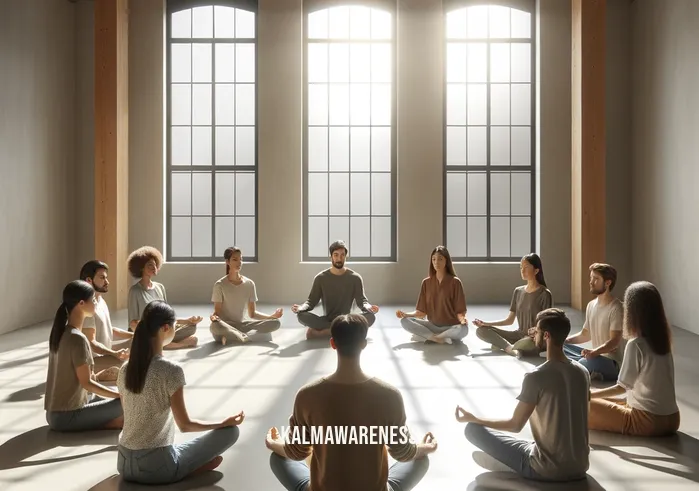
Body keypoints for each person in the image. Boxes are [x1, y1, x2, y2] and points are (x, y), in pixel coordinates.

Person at [265, 314, 437, 491]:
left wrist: (274, 444)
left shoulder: (307, 395)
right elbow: (404, 452)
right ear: (363, 344)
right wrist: (425, 448)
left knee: (277, 458)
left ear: (333, 343)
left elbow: (296, 452)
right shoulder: (389, 395)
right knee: (420, 458)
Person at [116, 300, 244, 484]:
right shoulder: (171, 370)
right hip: (156, 468)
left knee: (177, 448)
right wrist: (222, 423)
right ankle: (187, 469)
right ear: (166, 328)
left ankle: (188, 466)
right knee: (231, 432)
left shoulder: (125, 368)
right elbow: (185, 425)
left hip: (124, 463)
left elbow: (128, 417)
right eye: (176, 326)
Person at [456, 308, 590, 482]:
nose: (534, 334)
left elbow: (515, 425)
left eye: (537, 331)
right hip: (580, 466)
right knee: (531, 444)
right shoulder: (583, 372)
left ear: (547, 336)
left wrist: (475, 418)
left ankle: (508, 465)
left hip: (547, 469)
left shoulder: (536, 376)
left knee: (472, 429)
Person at [588, 281, 680, 436]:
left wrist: (588, 395)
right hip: (672, 419)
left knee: (580, 403)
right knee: (600, 396)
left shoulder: (636, 344)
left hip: (647, 421)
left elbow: (622, 387)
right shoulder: (663, 342)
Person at [44, 280, 123, 432]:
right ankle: (108, 423)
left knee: (102, 398)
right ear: (81, 303)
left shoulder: (62, 333)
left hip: (53, 415)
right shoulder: (77, 338)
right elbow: (86, 383)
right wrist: (118, 395)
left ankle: (106, 420)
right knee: (125, 402)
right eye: (93, 300)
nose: (95, 303)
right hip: (66, 417)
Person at [291, 240, 379, 339]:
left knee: (371, 317)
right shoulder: (320, 278)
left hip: (346, 319)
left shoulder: (355, 278)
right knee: (301, 316)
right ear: (331, 257)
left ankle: (324, 333)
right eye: (336, 255)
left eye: (342, 255)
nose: (339, 259)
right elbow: (311, 302)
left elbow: (362, 301)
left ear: (346, 257)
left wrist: (369, 307)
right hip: (327, 320)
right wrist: (301, 308)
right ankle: (346, 331)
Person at [473, 253, 553, 357]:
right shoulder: (518, 291)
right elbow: (509, 321)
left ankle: (503, 344)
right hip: (518, 335)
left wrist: (537, 331)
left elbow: (548, 324)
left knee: (527, 343)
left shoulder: (545, 294)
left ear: (536, 270)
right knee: (481, 331)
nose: (522, 270)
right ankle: (510, 348)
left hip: (534, 338)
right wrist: (485, 323)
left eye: (526, 267)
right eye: (521, 267)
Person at [127, 246, 201, 349]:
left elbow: (168, 316)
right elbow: (132, 324)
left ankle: (162, 344)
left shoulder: (160, 287)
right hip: (147, 331)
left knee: (191, 327)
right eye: (150, 265)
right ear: (141, 268)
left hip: (163, 329)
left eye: (155, 264)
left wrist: (188, 320)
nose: (154, 268)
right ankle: (173, 344)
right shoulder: (135, 291)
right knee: (191, 340)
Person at [564, 263, 625, 381]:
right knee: (560, 347)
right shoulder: (591, 305)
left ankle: (577, 366)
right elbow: (585, 335)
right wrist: (564, 340)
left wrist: (594, 352)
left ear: (608, 283)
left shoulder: (617, 308)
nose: (591, 282)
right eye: (591, 278)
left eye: (596, 279)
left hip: (611, 362)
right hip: (594, 356)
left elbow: (614, 341)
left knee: (584, 361)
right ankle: (579, 366)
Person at [210, 246, 283, 344]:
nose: (239, 262)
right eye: (235, 259)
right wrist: (213, 317)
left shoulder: (249, 284)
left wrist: (272, 316)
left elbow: (252, 314)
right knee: (214, 327)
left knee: (275, 322)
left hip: (243, 325)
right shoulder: (219, 285)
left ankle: (232, 337)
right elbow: (217, 313)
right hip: (226, 325)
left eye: (241, 259)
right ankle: (244, 336)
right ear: (227, 262)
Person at [396, 246, 468, 344]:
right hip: (432, 325)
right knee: (404, 321)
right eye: (433, 259)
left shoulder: (455, 282)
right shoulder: (426, 282)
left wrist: (463, 320)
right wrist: (405, 314)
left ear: (446, 261)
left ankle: (429, 336)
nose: (436, 262)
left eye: (440, 259)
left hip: (451, 326)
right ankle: (438, 338)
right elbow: (421, 312)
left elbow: (460, 311)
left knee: (463, 329)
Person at [80, 260, 133, 377]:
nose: (107, 282)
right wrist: (114, 354)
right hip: (92, 361)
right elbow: (91, 343)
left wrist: (134, 335)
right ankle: (96, 375)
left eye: (106, 277)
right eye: (102, 278)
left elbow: (108, 330)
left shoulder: (101, 301)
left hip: (106, 352)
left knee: (139, 342)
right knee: (131, 364)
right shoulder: (87, 307)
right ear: (89, 280)